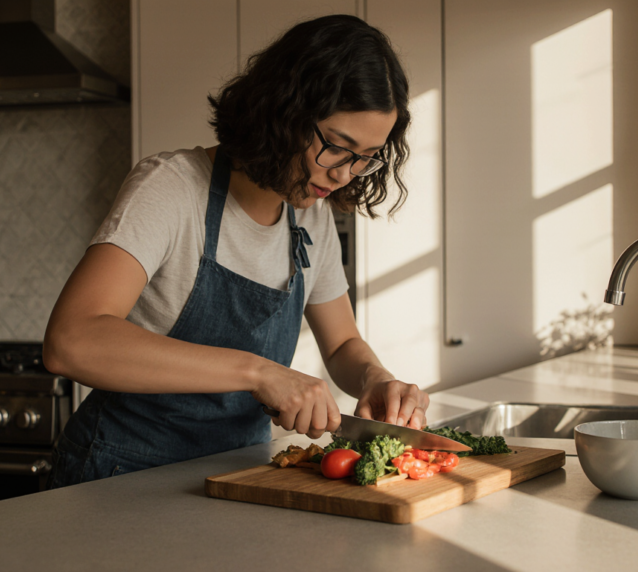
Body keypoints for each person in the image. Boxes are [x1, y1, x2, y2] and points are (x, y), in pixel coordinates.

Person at [42, 14, 429, 488]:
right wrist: (257, 372)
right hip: (119, 475)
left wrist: (375, 379)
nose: (345, 174)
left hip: (236, 475)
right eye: (337, 147)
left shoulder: (308, 212)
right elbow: (71, 341)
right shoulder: (172, 188)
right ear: (285, 110)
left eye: (366, 157)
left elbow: (343, 343)